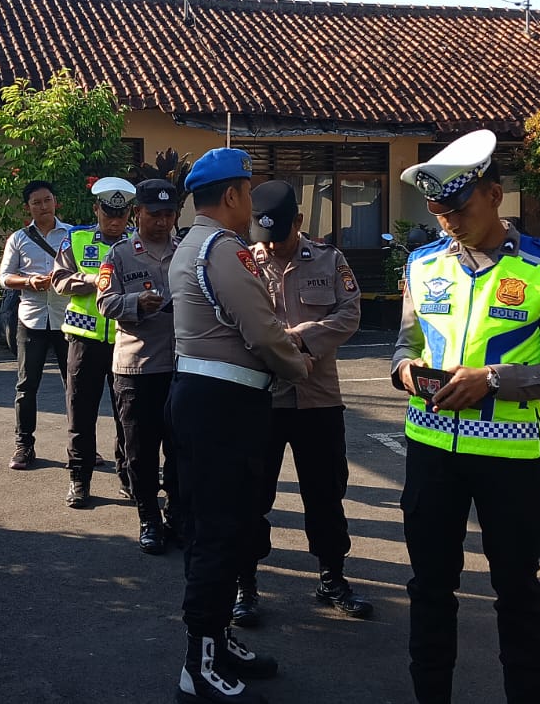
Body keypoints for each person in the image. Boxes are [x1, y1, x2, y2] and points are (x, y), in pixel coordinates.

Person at [391, 129, 540, 704]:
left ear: (495, 195)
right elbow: (405, 344)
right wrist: (405, 370)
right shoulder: (422, 264)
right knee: (430, 589)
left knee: (517, 592)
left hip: (509, 459)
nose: (449, 221)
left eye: (460, 208)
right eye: (439, 211)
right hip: (430, 454)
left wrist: (493, 379)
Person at [167, 148, 310, 704]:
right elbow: (263, 330)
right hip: (224, 407)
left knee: (220, 528)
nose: (251, 203)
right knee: (219, 533)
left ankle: (218, 641)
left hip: (205, 401)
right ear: (231, 195)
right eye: (248, 192)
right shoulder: (224, 250)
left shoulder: (191, 244)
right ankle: (200, 664)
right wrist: (299, 366)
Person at [235, 180, 372, 627]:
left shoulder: (330, 260)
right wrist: (280, 352)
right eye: (264, 235)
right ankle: (245, 584)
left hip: (319, 400)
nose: (271, 245)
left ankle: (332, 578)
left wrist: (298, 340)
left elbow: (349, 314)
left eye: (279, 234)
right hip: (262, 398)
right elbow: (231, 322)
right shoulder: (244, 262)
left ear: (298, 221)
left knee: (326, 494)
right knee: (252, 495)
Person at [97, 178, 181, 553]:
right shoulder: (119, 255)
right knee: (141, 452)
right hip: (138, 368)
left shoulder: (186, 251)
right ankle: (149, 519)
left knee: (180, 449)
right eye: (154, 214)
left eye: (168, 214)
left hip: (181, 367)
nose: (162, 222)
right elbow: (105, 303)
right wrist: (135, 303)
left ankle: (177, 517)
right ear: (137, 214)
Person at [52, 176, 137, 508]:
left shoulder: (138, 243)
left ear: (130, 213)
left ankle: (129, 478)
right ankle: (79, 479)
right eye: (108, 214)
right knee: (80, 415)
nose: (115, 221)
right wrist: (91, 280)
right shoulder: (76, 238)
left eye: (121, 215)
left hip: (126, 342)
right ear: (96, 210)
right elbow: (59, 281)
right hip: (84, 341)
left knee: (128, 417)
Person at [0, 180, 73, 470]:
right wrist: (29, 282)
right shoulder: (18, 239)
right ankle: (24, 445)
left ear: (55, 201)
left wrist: (64, 281)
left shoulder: (72, 236)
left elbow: (86, 271)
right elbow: (5, 277)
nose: (43, 207)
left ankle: (82, 446)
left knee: (76, 386)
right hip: (31, 319)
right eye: (36, 202)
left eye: (47, 200)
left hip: (68, 319)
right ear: (27, 207)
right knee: (26, 386)